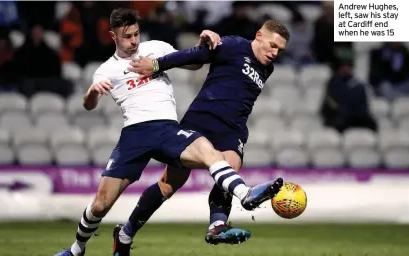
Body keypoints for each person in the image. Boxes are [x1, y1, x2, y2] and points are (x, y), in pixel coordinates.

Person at [54, 8, 283, 256]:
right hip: (136, 133)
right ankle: (80, 249)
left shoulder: (157, 47)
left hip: (168, 128)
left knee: (216, 158)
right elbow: (88, 105)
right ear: (113, 36)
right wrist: (93, 91)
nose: (134, 41)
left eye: (136, 34)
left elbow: (194, 61)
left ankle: (232, 208)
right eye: (127, 36)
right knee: (102, 204)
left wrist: (201, 42)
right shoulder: (106, 70)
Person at [123, 19, 290, 250]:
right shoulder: (233, 45)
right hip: (202, 120)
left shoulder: (266, 68)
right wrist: (156, 65)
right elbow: (195, 55)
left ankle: (217, 226)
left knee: (229, 166)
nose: (275, 53)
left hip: (233, 130)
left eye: (280, 50)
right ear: (259, 35)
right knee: (170, 184)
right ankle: (125, 233)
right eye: (272, 45)